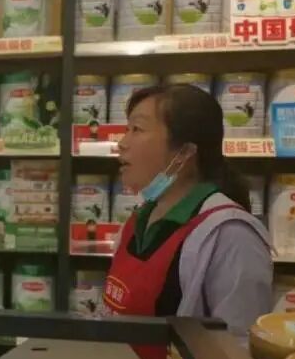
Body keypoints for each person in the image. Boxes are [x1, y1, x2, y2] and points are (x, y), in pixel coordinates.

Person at [105, 84, 272, 334]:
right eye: (126, 130)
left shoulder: (231, 235)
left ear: (184, 152)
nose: (122, 143)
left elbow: (238, 347)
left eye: (137, 129)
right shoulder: (139, 219)